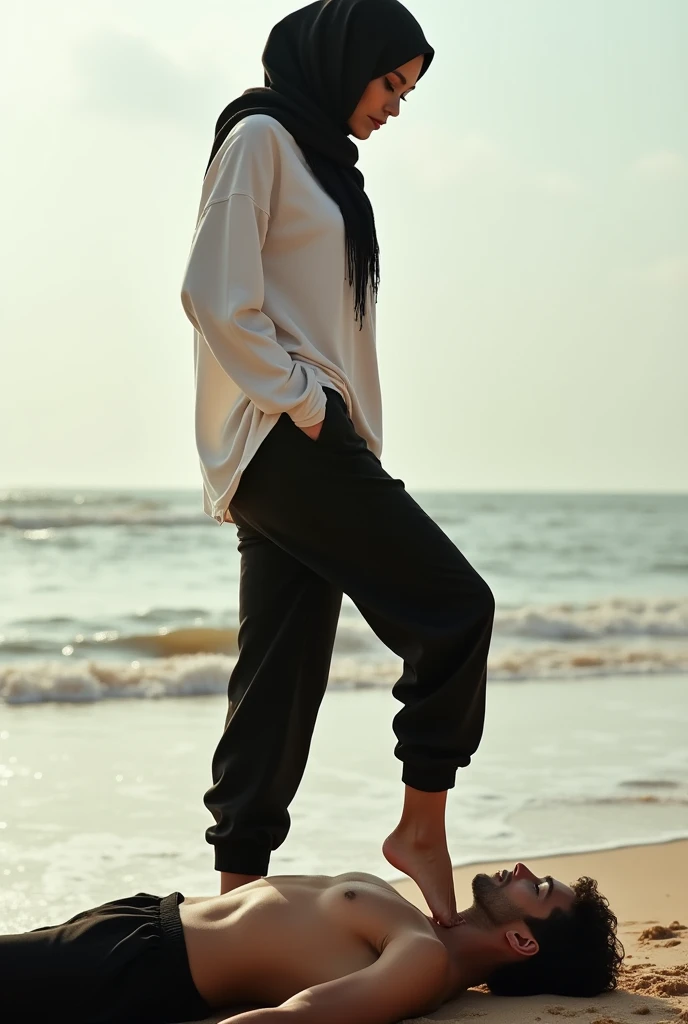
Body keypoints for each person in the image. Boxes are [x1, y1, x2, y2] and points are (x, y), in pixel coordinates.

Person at [180, 0, 495, 930]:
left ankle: (236, 904)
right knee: (455, 607)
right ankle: (421, 831)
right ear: (343, 60)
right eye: (390, 82)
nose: (396, 105)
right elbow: (212, 292)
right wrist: (309, 407)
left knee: (279, 673)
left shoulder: (327, 166)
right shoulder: (262, 139)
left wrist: (339, 422)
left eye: (409, 89)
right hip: (285, 435)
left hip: (308, 437)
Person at [1, 862, 624, 1024]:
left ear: (521, 940)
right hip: (141, 918)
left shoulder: (422, 959)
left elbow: (295, 1018)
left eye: (538, 888)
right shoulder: (423, 924)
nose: (521, 871)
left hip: (140, 965)